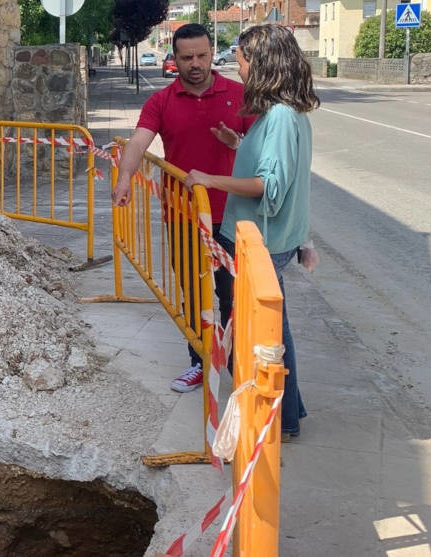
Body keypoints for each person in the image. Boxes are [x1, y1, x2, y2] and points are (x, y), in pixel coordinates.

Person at [183, 24, 320, 440]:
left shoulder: (279, 116)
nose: (236, 65)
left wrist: (210, 179)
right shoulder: (282, 113)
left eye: (240, 57)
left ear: (260, 63)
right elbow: (273, 167)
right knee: (274, 330)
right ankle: (287, 412)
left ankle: (278, 417)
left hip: (261, 240)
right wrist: (238, 142)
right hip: (265, 238)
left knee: (266, 335)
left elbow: (269, 187)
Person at [112, 23, 255, 393]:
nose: (196, 64)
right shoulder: (161, 101)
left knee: (233, 296)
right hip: (183, 218)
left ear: (213, 54)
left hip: (232, 218)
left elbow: (262, 151)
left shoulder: (241, 95)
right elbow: (138, 141)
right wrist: (125, 178)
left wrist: (238, 143)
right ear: (174, 58)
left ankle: (238, 369)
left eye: (202, 55)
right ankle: (200, 362)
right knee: (193, 295)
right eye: (187, 57)